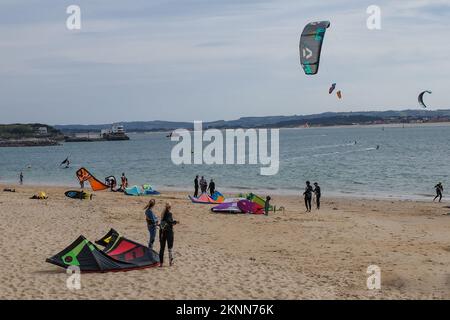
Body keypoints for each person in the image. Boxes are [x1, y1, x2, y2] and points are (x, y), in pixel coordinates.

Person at [159, 202, 178, 267]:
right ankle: (170, 262)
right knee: (170, 248)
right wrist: (175, 222)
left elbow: (163, 222)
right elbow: (170, 222)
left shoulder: (162, 214)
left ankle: (161, 263)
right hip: (168, 232)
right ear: (170, 207)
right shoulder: (169, 214)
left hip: (162, 232)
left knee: (162, 248)